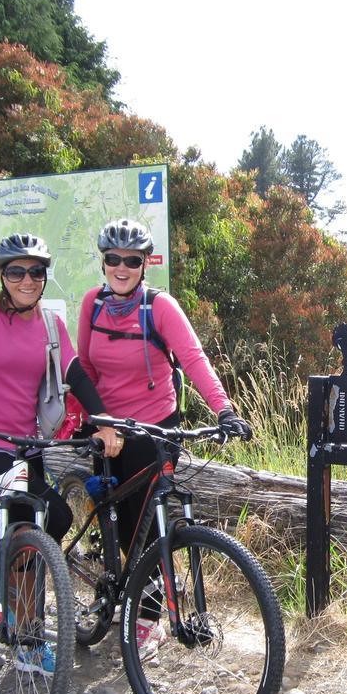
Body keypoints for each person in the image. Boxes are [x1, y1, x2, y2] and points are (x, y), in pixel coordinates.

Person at [0, 232, 121, 672]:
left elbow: (77, 377)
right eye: (17, 271)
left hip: (25, 446)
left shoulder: (50, 326)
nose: (27, 280)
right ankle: (26, 638)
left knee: (55, 517)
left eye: (36, 271)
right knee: (33, 515)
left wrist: (105, 421)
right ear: (2, 275)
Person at [77, 218, 251, 652]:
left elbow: (193, 359)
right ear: (103, 262)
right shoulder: (92, 306)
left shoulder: (161, 307)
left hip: (155, 429)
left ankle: (149, 617)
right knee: (112, 517)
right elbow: (84, 369)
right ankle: (112, 586)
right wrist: (93, 420)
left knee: (150, 524)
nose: (121, 267)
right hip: (107, 429)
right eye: (113, 259)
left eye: (131, 260)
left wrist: (224, 409)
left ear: (143, 264)